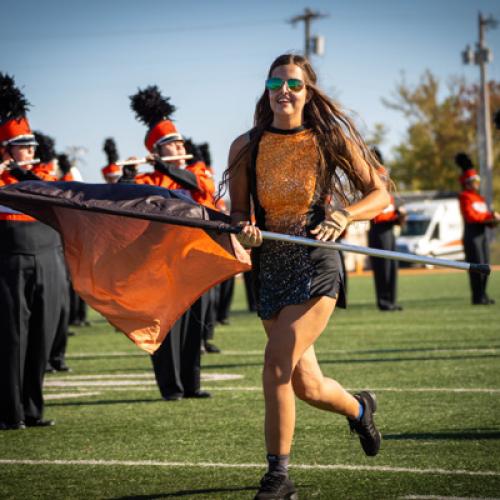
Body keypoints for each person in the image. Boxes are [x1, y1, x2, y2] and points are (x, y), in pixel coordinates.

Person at [221, 54, 390, 499]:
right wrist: (244, 229)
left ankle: (278, 477)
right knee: (307, 384)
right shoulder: (246, 145)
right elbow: (239, 211)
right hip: (270, 267)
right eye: (275, 82)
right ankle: (359, 409)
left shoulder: (327, 138)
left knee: (275, 364)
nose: (284, 90)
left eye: (294, 84)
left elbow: (380, 193)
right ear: (266, 89)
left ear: (308, 91)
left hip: (317, 261)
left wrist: (345, 213)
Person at [129, 85, 213, 400]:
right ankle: (170, 386)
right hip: (161, 262)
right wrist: (126, 176)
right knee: (166, 325)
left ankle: (192, 384)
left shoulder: (195, 170)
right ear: (157, 151)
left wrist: (171, 168)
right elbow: (124, 202)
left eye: (179, 142)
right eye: (170, 144)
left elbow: (203, 187)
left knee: (194, 324)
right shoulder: (148, 180)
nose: (178, 147)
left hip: (196, 257)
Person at [0, 73, 63, 429]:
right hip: (8, 261)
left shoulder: (43, 178)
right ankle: (9, 412)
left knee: (42, 334)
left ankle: (32, 408)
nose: (30, 152)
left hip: (47, 258)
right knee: (11, 337)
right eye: (22, 146)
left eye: (31, 145)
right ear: (5, 149)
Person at [456, 153, 499, 305]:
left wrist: (493, 219)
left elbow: (484, 216)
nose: (477, 183)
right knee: (476, 266)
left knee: (485, 265)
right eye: (475, 181)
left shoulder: (479, 198)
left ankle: (484, 294)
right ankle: (477, 296)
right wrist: (489, 218)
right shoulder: (464, 196)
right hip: (472, 235)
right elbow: (471, 216)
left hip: (482, 234)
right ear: (468, 182)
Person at [367, 148, 405, 311]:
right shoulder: (372, 193)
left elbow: (390, 213)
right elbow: (377, 216)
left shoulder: (387, 195)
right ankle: (384, 302)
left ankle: (392, 300)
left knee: (391, 266)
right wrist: (395, 217)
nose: (385, 181)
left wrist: (399, 216)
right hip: (379, 231)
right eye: (382, 178)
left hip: (389, 231)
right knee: (382, 267)